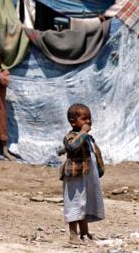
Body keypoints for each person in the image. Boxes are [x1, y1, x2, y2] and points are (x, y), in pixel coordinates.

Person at [60, 103, 105, 245]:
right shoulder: (70, 137)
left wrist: (99, 170)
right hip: (75, 176)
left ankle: (85, 233)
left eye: (89, 118)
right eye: (84, 119)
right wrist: (83, 133)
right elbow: (72, 147)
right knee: (74, 203)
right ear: (73, 122)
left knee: (84, 204)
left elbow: (95, 154)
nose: (88, 122)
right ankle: (73, 235)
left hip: (87, 176)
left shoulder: (88, 138)